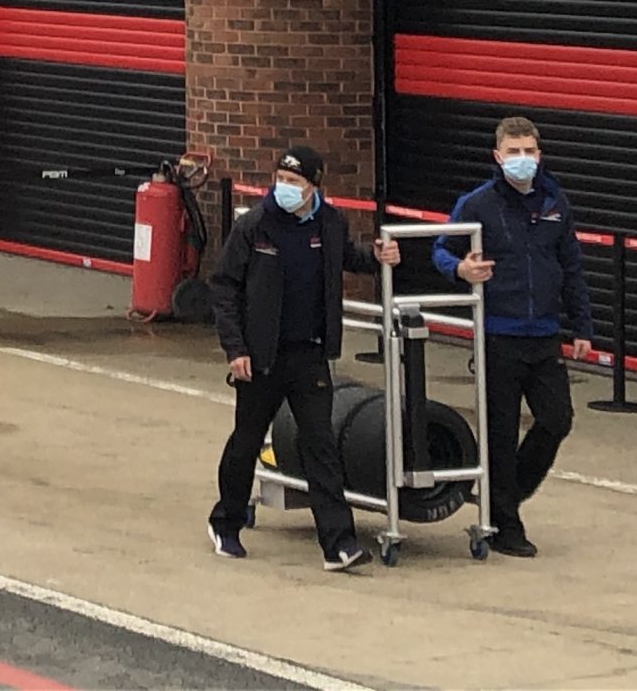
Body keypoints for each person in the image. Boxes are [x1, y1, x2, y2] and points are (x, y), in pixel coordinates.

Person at [207, 144, 400, 571]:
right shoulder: (256, 226)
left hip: (310, 354)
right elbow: (224, 287)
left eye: (294, 182)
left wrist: (376, 258)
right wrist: (235, 349)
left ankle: (338, 543)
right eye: (281, 180)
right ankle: (226, 522)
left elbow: (346, 257)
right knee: (247, 441)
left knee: (321, 445)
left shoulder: (329, 223)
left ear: (314, 186)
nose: (285, 189)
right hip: (261, 358)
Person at [433, 115, 595, 559]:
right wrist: (461, 270)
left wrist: (582, 325)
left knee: (556, 419)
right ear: (498, 157)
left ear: (539, 156)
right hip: (498, 334)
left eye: (529, 151)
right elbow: (440, 249)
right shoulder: (478, 204)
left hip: (544, 334)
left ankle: (507, 494)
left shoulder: (555, 203)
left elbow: (571, 266)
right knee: (500, 432)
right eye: (513, 152)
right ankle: (507, 523)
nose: (521, 160)